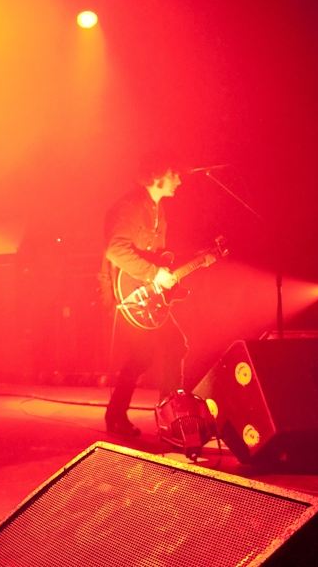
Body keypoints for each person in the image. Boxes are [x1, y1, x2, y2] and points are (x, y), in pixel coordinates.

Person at [98, 157, 187, 438]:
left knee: (167, 347)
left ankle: (167, 416)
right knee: (150, 352)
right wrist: (154, 274)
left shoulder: (159, 210)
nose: (179, 180)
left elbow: (156, 256)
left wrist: (166, 276)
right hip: (126, 295)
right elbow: (115, 250)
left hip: (147, 294)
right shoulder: (130, 207)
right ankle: (170, 418)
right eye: (175, 173)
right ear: (157, 175)